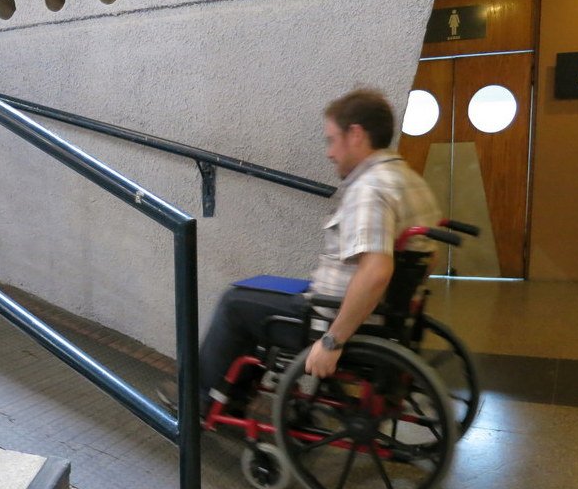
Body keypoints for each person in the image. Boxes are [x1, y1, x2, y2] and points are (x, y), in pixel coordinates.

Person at [159, 88, 439, 416]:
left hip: (331, 317)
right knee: (257, 293)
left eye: (332, 140)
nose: (330, 152)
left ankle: (198, 399)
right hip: (377, 314)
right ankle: (235, 393)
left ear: (356, 135)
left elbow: (377, 271)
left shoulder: (370, 189)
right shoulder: (410, 181)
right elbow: (424, 258)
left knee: (235, 303)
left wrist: (332, 342)